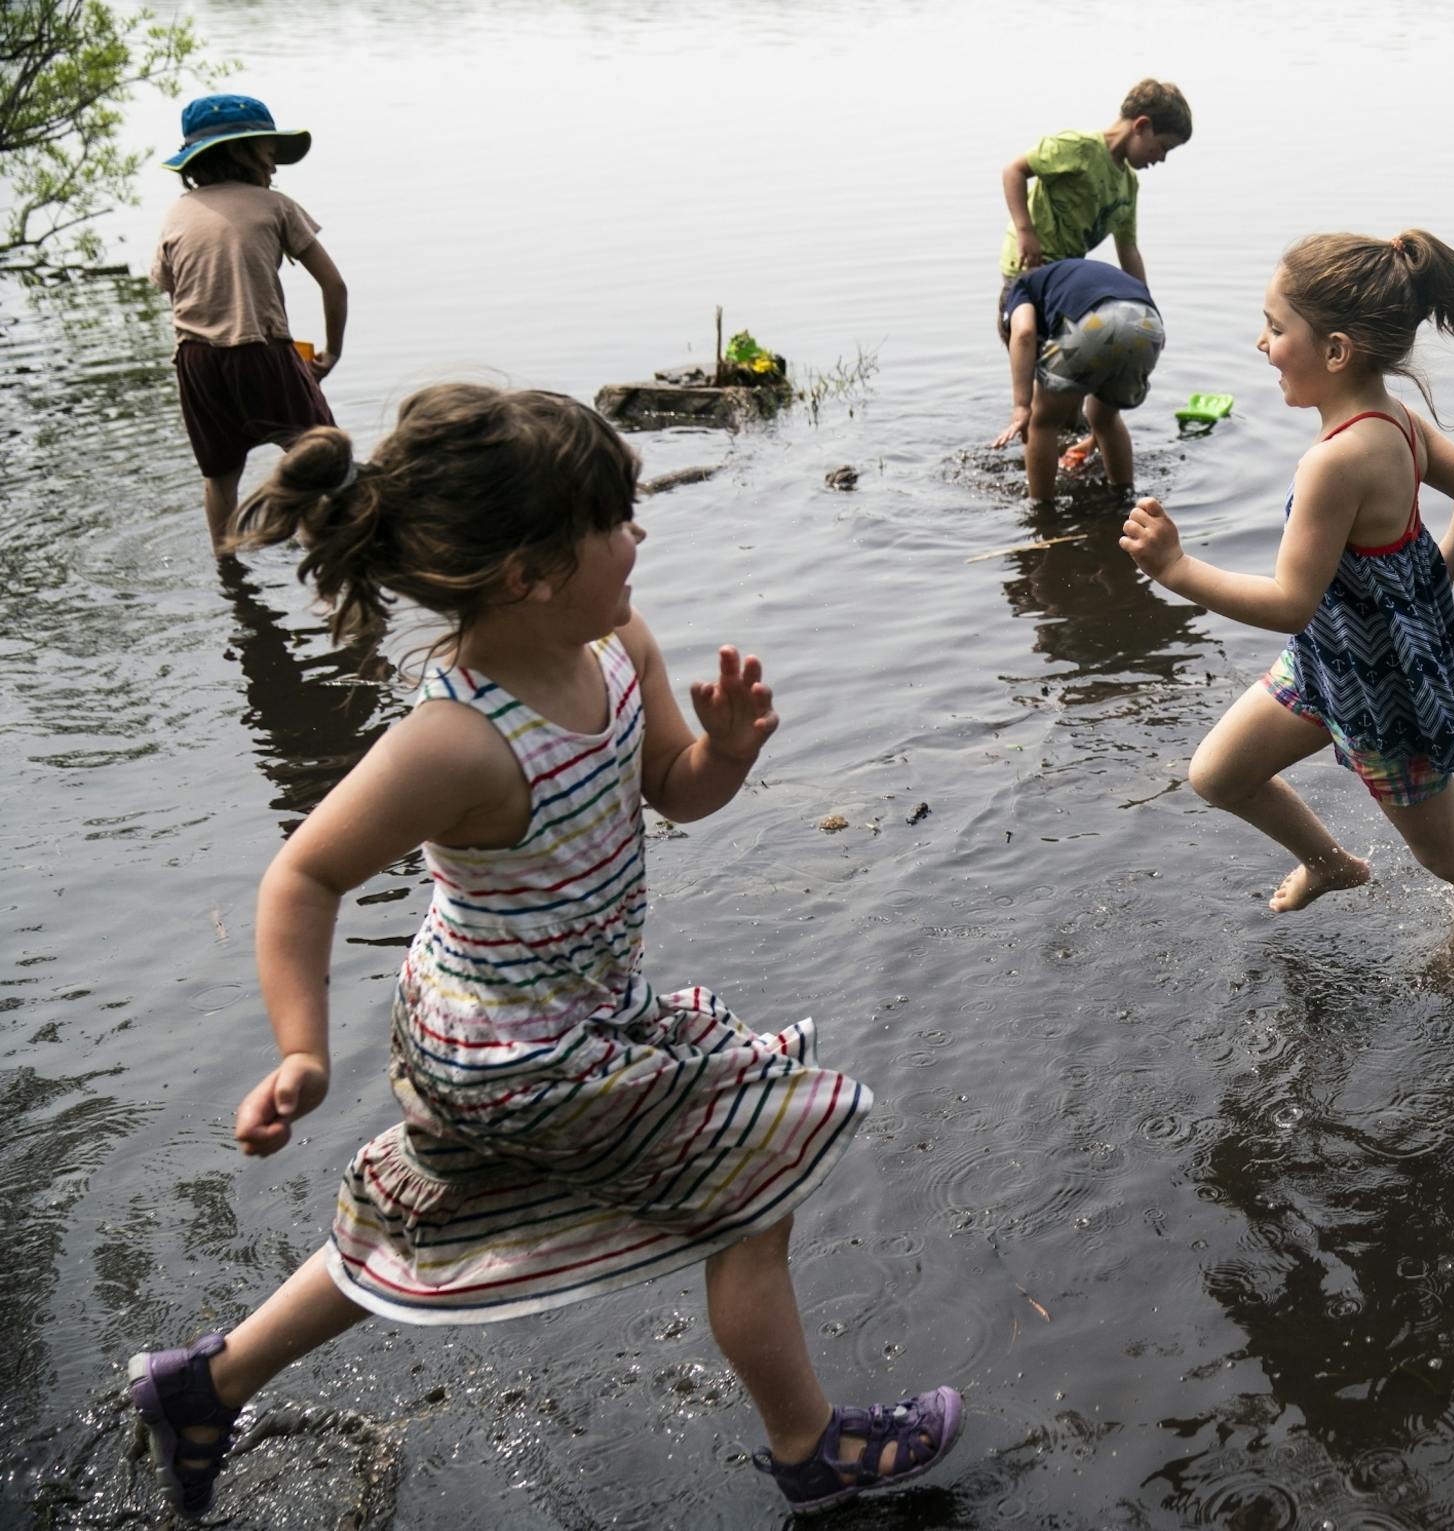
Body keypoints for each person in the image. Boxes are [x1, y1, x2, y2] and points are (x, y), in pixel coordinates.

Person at [124, 385, 963, 1520]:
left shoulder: (618, 641)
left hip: (556, 1015)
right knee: (760, 1167)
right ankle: (809, 1446)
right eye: (613, 517)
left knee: (427, 1217)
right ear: (526, 572)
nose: (640, 532)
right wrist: (300, 1052)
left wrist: (722, 754)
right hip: (511, 1051)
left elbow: (671, 787)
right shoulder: (455, 740)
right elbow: (303, 874)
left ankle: (204, 1385)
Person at [1118, 230, 1454, 979]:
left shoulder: (1335, 461)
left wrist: (1176, 569)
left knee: (1448, 852)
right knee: (1217, 774)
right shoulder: (1394, 420)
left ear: (1335, 350)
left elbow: (1288, 602)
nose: (1260, 343)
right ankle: (1331, 863)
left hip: (1383, 695)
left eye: (1275, 328)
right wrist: (1432, 584)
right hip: (1325, 665)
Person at [149, 94, 348, 548]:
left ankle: (229, 570)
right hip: (261, 350)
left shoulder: (176, 213)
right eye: (267, 150)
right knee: (323, 457)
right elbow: (335, 286)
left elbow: (171, 289)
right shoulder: (275, 205)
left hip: (195, 360)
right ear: (239, 151)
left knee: (220, 476)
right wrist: (332, 351)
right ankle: (330, 553)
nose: (274, 165)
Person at [996, 78, 1190, 348]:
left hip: (1065, 276)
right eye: (1163, 146)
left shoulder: (1127, 185)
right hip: (1029, 264)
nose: (1161, 158)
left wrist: (1148, 307)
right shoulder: (1078, 148)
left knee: (1072, 354)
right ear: (1142, 126)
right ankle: (1025, 391)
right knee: (1033, 343)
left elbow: (1128, 251)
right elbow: (1014, 171)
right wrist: (1025, 231)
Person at [991, 258, 1166, 503]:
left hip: (1093, 324)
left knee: (1042, 422)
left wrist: (1022, 406)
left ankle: (1042, 510)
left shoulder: (1020, 288)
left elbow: (1024, 334)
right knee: (1104, 417)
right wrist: (1093, 441)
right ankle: (1123, 496)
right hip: (1148, 325)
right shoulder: (1066, 279)